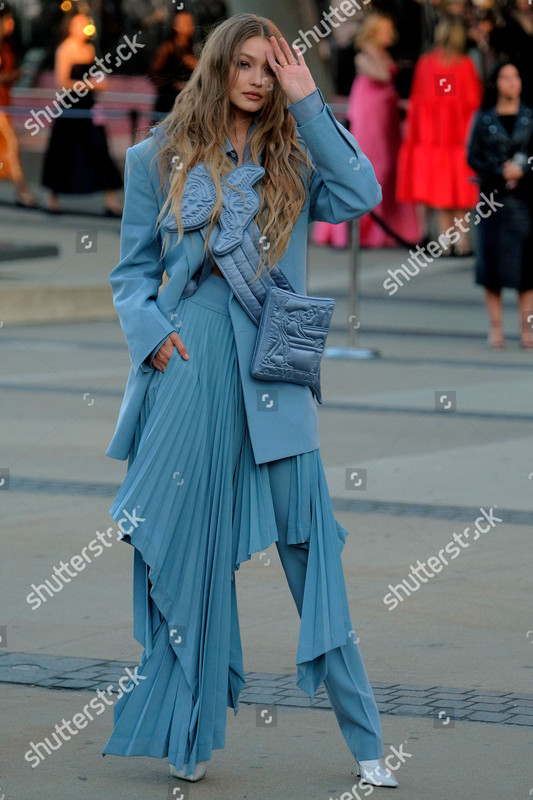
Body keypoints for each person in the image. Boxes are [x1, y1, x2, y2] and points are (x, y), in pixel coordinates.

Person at [101, 12, 398, 790]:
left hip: (274, 372)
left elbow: (363, 191)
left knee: (312, 552)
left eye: (273, 67)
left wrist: (309, 101)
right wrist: (153, 333)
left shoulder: (295, 156)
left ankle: (367, 745)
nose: (259, 78)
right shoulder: (156, 157)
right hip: (191, 369)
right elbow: (131, 272)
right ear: (217, 67)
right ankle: (187, 733)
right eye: (247, 64)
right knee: (191, 556)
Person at [396, 17, 482, 254]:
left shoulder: (426, 64)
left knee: (439, 191)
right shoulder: (464, 65)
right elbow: (473, 104)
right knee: (457, 193)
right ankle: (461, 243)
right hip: (458, 139)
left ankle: (445, 242)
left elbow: (418, 102)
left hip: (430, 140)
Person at [467, 61, 533, 348]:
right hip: (493, 199)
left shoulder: (531, 117)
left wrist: (524, 170)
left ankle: (526, 329)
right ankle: (496, 328)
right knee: (491, 268)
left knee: (527, 270)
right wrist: (498, 170)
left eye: (515, 76)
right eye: (504, 77)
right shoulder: (483, 119)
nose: (511, 82)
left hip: (525, 200)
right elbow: (472, 157)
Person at [41, 13, 122, 215]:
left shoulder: (90, 49)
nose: (84, 27)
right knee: (63, 151)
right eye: (80, 24)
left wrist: (100, 84)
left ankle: (110, 199)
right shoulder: (65, 48)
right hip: (70, 107)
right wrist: (89, 85)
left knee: (100, 149)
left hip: (90, 107)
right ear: (71, 27)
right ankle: (52, 196)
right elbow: (62, 82)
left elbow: (97, 76)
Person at [0, 4, 38, 207]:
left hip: (5, 104)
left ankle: (21, 190)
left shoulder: (6, 46)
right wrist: (17, 74)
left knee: (7, 149)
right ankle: (22, 191)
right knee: (11, 147)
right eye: (7, 20)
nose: (11, 24)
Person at [148, 9, 198, 117]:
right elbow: (154, 74)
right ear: (175, 25)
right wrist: (172, 84)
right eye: (183, 22)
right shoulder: (168, 48)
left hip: (188, 105)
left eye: (189, 22)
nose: (187, 26)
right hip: (168, 104)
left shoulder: (194, 49)